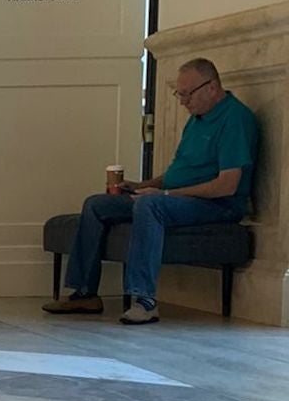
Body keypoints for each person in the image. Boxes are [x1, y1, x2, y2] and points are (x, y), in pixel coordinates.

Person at [44, 57, 258, 325]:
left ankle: (144, 300)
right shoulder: (197, 119)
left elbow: (227, 184)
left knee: (149, 205)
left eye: (186, 94)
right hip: (179, 197)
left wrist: (164, 196)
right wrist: (143, 186)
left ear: (212, 87)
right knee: (97, 204)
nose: (182, 101)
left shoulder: (235, 119)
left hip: (217, 204)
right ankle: (85, 292)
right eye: (178, 93)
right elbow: (179, 173)